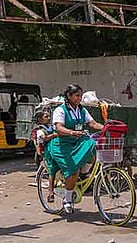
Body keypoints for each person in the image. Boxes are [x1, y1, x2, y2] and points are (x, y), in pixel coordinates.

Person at [44, 84, 104, 214]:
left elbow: (92, 123)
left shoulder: (82, 110)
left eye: (81, 96)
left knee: (92, 147)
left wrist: (106, 127)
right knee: (72, 172)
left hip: (77, 142)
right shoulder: (60, 110)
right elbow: (58, 127)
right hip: (62, 145)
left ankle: (83, 173)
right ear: (69, 96)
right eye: (77, 95)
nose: (79, 98)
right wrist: (71, 132)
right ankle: (67, 199)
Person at [33, 110, 58, 203]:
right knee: (53, 170)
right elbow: (45, 138)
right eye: (46, 116)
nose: (49, 118)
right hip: (48, 151)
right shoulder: (40, 130)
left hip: (56, 147)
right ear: (40, 119)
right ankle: (50, 192)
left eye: (49, 116)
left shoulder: (51, 127)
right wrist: (54, 135)